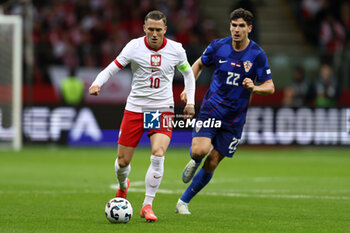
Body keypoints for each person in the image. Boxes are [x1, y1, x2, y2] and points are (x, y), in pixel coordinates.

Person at [89, 10, 196, 222]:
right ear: (144, 28)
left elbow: (188, 74)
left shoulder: (176, 50)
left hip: (162, 108)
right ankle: (123, 186)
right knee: (122, 162)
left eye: (158, 30)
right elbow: (113, 68)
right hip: (136, 108)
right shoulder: (134, 47)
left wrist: (190, 102)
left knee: (158, 153)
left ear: (165, 30)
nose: (154, 34)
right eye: (151, 29)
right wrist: (97, 82)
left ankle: (147, 205)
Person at [175, 8, 275, 214]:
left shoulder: (257, 55)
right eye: (234, 25)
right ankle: (194, 160)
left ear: (249, 28)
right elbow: (199, 64)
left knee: (212, 161)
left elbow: (270, 86)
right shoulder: (218, 46)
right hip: (212, 110)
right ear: (230, 26)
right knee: (200, 151)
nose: (236, 30)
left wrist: (254, 88)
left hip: (235, 119)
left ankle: (183, 202)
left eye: (241, 26)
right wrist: (188, 87)